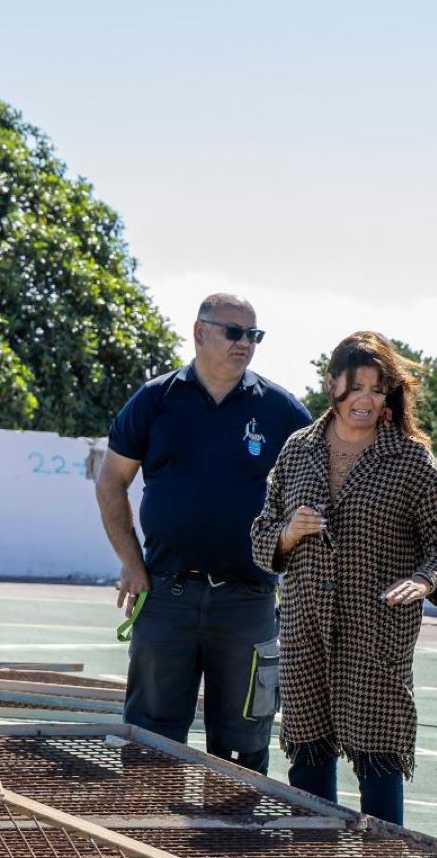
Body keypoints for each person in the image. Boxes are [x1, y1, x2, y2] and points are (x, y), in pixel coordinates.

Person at [251, 333, 437, 824]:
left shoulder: (410, 459)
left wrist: (426, 580)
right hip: (306, 628)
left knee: (378, 760)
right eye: (355, 387)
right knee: (308, 758)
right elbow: (262, 535)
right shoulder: (297, 450)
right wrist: (288, 533)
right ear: (332, 384)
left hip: (375, 632)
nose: (365, 400)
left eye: (377, 389)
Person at [96, 293, 312, 772]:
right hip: (166, 593)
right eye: (233, 332)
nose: (245, 344)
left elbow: (321, 484)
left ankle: (230, 840)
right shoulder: (155, 400)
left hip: (249, 599)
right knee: (149, 739)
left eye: (253, 335)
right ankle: (142, 837)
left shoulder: (282, 411)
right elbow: (112, 480)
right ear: (199, 331)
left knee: (245, 741)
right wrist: (132, 563)